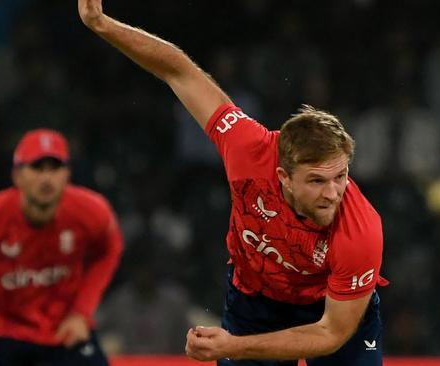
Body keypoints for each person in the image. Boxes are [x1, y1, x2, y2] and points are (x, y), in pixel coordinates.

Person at [78, 1, 388, 365]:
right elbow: (180, 72)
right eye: (317, 181)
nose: (333, 193)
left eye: (341, 176)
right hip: (255, 301)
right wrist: (101, 24)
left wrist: (232, 347)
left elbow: (331, 333)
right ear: (282, 176)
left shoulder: (360, 230)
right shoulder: (247, 148)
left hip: (331, 309)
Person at [0, 128, 123, 366]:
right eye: (37, 168)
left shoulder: (91, 211)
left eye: (55, 168)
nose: (47, 178)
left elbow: (110, 247)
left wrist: (81, 313)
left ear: (68, 174)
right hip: (1, 335)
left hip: (63, 333)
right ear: (17, 176)